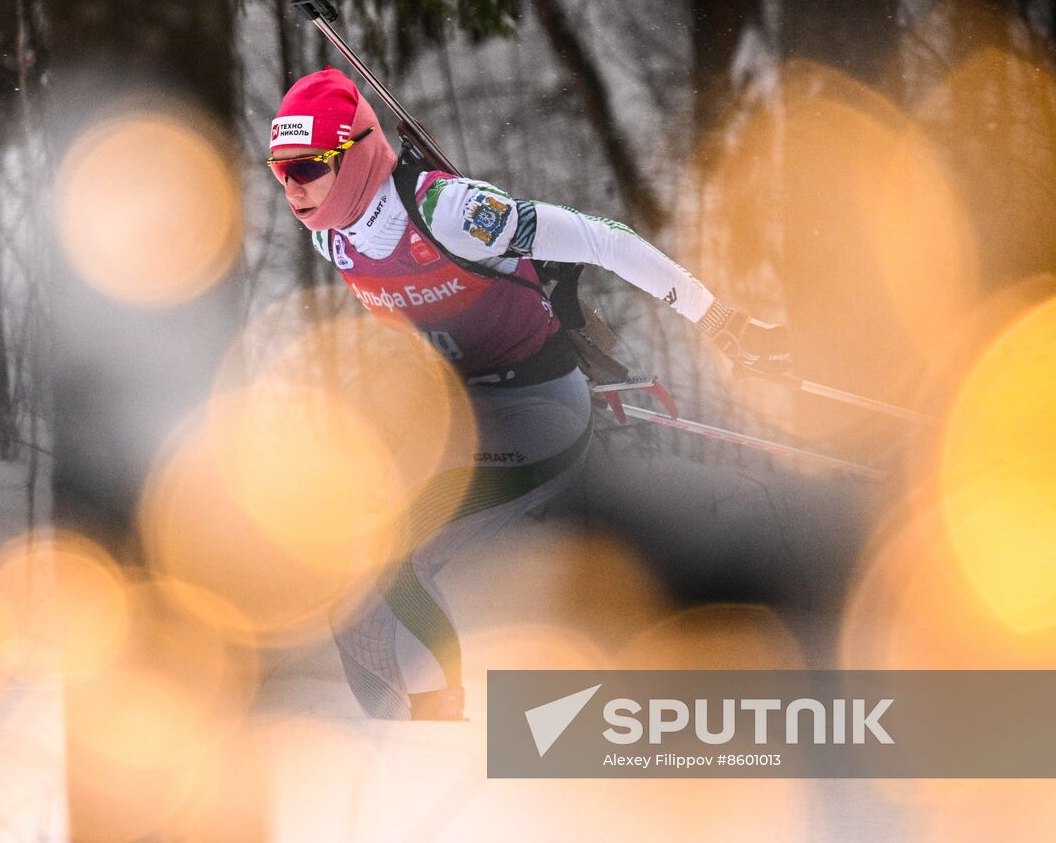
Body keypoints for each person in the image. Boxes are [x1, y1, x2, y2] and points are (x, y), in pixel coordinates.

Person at [266, 68, 789, 720]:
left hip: (538, 410)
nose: (293, 189)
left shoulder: (447, 213)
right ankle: (396, 740)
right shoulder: (331, 232)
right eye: (279, 170)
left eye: (309, 167)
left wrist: (718, 319)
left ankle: (438, 727)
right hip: (467, 415)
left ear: (358, 153)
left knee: (390, 552)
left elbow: (601, 238)